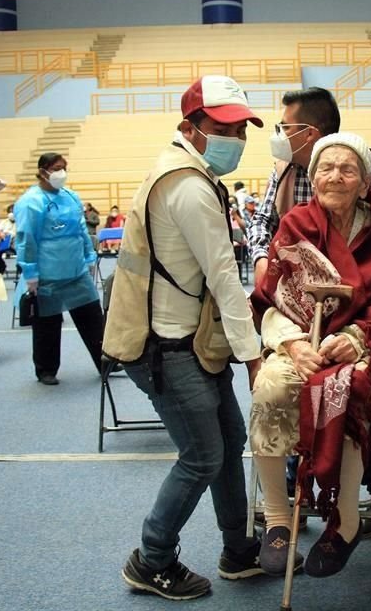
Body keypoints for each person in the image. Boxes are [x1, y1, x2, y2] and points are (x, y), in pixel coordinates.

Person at [102, 75, 266, 601]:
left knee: (229, 445)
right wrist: (254, 357)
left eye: (241, 128)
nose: (235, 138)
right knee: (202, 456)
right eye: (223, 127)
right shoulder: (190, 187)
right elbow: (224, 279)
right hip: (168, 347)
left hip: (186, 340)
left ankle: (239, 549)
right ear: (190, 128)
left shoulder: (183, 172)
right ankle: (151, 559)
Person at [249, 86, 371, 533]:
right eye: (327, 169)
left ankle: (353, 513)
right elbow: (265, 227)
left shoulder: (366, 165)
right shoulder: (289, 174)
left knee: (353, 387)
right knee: (277, 385)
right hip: (301, 316)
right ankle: (285, 509)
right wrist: (264, 262)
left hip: (363, 322)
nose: (334, 175)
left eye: (287, 127)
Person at [248, 86, 371, 281]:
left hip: (361, 282)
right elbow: (262, 220)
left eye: (284, 127)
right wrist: (261, 259)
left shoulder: (365, 167)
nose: (278, 135)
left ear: (309, 134)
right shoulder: (284, 170)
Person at [14, 153, 104, 386]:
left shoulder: (71, 197)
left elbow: (82, 230)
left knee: (93, 317)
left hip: (76, 271)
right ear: (43, 171)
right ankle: (46, 370)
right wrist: (30, 273)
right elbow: (26, 239)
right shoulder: (30, 201)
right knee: (48, 324)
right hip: (48, 274)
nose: (61, 173)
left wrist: (89, 256)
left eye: (64, 168)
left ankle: (106, 361)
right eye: (56, 168)